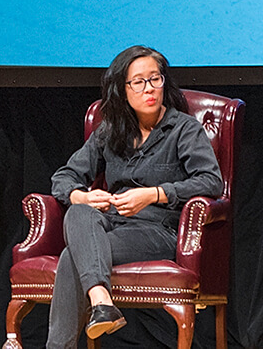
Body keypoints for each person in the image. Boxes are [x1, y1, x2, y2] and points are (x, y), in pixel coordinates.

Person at [46, 46, 223, 348]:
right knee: (79, 212)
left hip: (159, 230)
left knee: (73, 254)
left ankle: (84, 322)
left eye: (155, 79)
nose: (149, 89)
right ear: (122, 89)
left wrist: (155, 194)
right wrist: (82, 196)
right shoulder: (111, 130)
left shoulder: (184, 129)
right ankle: (101, 301)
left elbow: (211, 182)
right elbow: (64, 177)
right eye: (138, 82)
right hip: (112, 222)